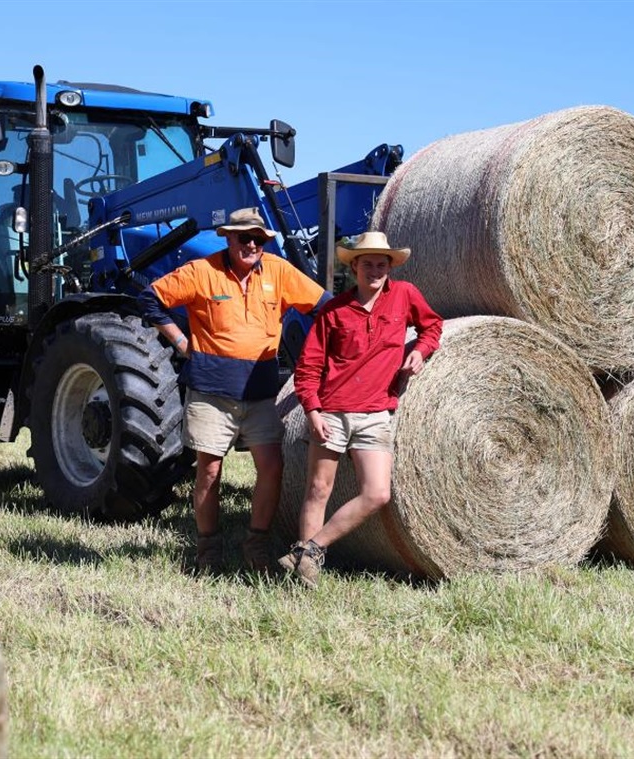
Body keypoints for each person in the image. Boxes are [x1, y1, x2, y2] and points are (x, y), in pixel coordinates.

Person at [138, 207, 327, 573]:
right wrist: (180, 341)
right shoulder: (201, 271)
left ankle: (256, 544)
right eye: (244, 237)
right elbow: (151, 299)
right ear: (228, 237)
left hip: (259, 393)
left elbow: (323, 307)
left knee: (271, 468)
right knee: (209, 471)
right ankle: (208, 550)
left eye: (258, 238)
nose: (252, 244)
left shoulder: (279, 271)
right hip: (211, 392)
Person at [280, 231, 443, 587]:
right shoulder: (334, 311)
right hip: (333, 411)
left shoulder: (404, 296)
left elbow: (433, 325)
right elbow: (307, 369)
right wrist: (312, 411)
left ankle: (308, 549)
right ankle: (305, 575)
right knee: (317, 489)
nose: (375, 269)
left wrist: (419, 351)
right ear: (354, 267)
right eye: (367, 263)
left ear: (390, 267)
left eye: (381, 264)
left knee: (378, 493)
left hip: (374, 414)